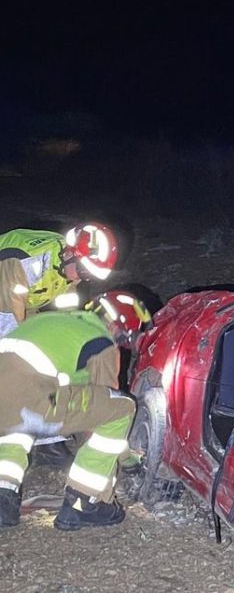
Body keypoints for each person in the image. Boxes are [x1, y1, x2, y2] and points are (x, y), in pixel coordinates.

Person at [0, 290, 150, 531]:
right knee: (122, 407)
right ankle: (84, 502)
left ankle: (3, 495)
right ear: (118, 326)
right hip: (33, 400)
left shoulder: (50, 321)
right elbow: (103, 412)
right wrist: (128, 460)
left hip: (10, 405)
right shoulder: (101, 341)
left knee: (17, 420)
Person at [0, 223, 119, 337]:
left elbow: (67, 311)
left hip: (18, 302)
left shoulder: (67, 265)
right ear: (69, 254)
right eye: (82, 271)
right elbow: (7, 321)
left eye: (89, 276)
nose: (80, 278)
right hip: (5, 300)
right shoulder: (28, 264)